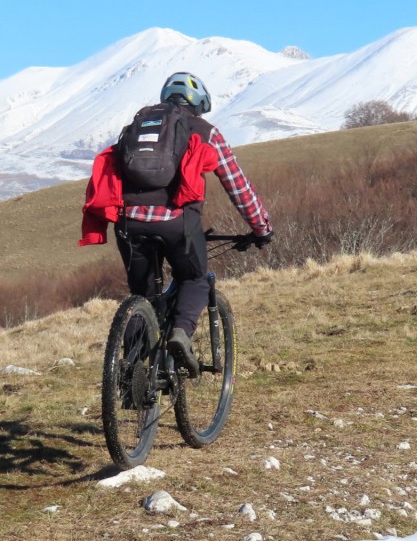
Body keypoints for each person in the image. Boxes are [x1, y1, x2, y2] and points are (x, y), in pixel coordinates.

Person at [79, 72, 272, 376]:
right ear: (199, 104)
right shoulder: (206, 132)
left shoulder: (137, 127)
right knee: (194, 278)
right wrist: (261, 228)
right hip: (176, 223)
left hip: (128, 224)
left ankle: (132, 376)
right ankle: (181, 333)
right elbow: (237, 185)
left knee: (142, 297)